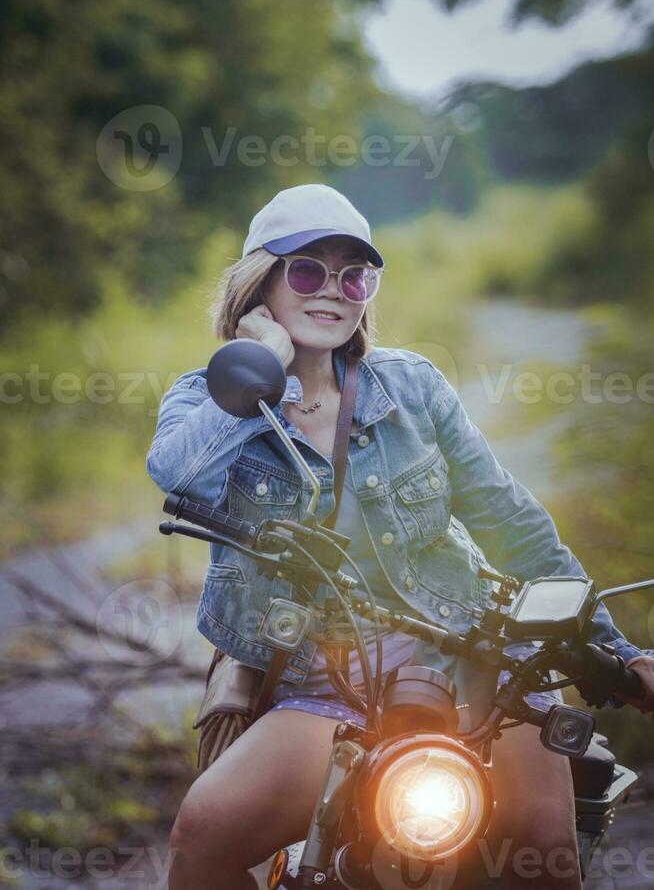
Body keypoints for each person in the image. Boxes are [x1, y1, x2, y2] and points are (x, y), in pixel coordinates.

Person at [146, 183, 654, 890]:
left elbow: (512, 525)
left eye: (353, 274)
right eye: (306, 271)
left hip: (476, 658)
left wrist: (618, 649)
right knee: (202, 835)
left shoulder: (411, 387)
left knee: (545, 852)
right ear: (260, 282)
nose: (332, 291)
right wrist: (264, 366)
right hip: (324, 686)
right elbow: (175, 473)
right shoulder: (210, 396)